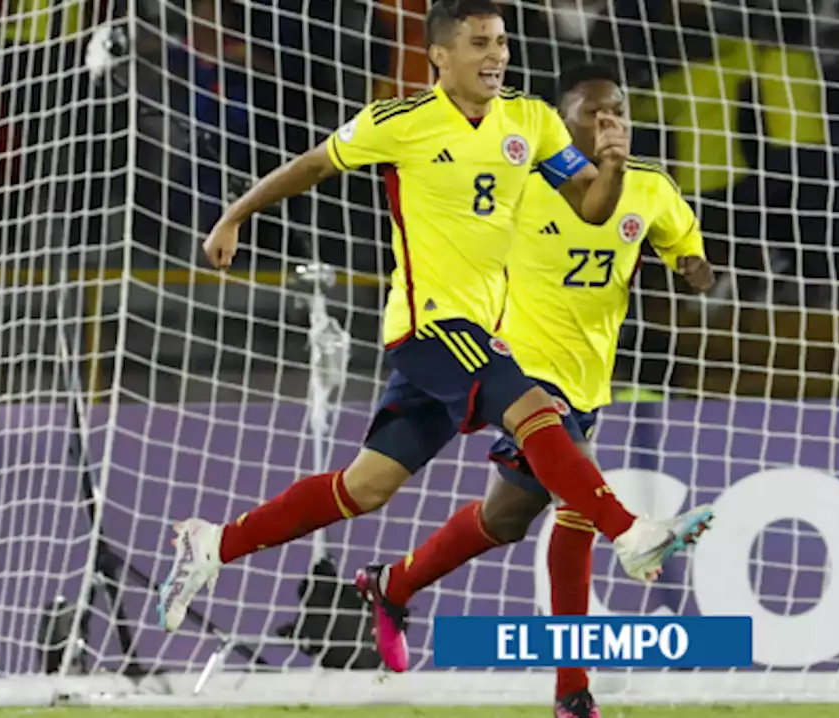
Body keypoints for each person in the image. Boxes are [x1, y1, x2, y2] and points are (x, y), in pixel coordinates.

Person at [156, 0, 714, 634]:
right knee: (533, 408)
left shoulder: (529, 121)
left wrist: (611, 165)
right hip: (429, 326)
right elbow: (311, 165)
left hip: (476, 330)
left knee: (366, 487)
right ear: (441, 56)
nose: (497, 56)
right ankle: (629, 532)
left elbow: (590, 207)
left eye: (501, 42)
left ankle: (214, 544)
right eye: (480, 44)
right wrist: (233, 216)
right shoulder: (401, 122)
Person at [351, 62, 714, 718]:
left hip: (585, 379)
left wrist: (693, 268)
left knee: (506, 519)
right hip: (515, 372)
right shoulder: (524, 182)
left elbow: (687, 252)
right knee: (578, 512)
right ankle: (572, 692)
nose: (608, 124)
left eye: (617, 113)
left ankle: (391, 584)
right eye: (592, 114)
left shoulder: (652, 190)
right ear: (561, 125)